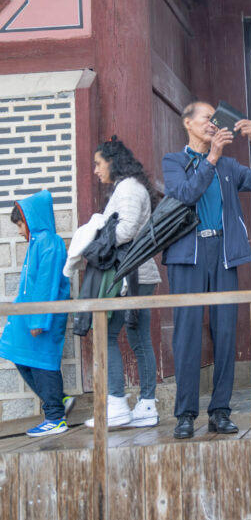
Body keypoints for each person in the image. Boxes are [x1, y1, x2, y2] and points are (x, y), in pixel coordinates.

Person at [163, 101, 251, 439]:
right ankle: (185, 414)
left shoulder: (228, 166)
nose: (213, 124)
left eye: (215, 119)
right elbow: (185, 194)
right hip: (188, 255)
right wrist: (210, 158)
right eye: (207, 118)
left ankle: (220, 411)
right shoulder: (174, 162)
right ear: (188, 123)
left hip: (223, 253)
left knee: (225, 334)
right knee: (187, 335)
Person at [68, 137, 162, 429]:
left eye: (98, 163)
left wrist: (94, 239)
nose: (96, 170)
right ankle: (146, 405)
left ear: (113, 161)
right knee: (138, 338)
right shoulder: (130, 186)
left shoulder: (129, 188)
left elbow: (127, 229)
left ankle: (118, 404)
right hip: (136, 274)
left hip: (129, 275)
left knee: (107, 334)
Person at [0, 192, 72, 436]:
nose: (20, 231)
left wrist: (38, 318)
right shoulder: (37, 243)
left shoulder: (50, 242)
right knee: (15, 351)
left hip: (41, 317)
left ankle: (55, 417)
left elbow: (46, 283)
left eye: (20, 225)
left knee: (43, 362)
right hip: (29, 316)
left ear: (31, 220)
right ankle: (60, 400)